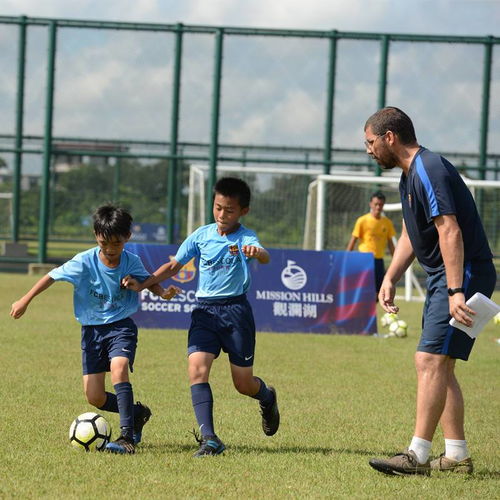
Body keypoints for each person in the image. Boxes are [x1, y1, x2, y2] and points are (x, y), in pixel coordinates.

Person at [363, 107, 496, 476]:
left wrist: (455, 290)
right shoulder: (408, 177)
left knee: (429, 361)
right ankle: (455, 455)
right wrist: (391, 276)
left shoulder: (428, 168)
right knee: (442, 363)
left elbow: (449, 229)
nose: (369, 151)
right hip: (446, 276)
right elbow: (411, 233)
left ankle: (416, 456)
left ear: (390, 137)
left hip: (461, 274)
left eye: (370, 142)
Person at [123, 177, 280, 457]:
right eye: (217, 207)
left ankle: (267, 397)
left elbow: (265, 255)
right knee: (196, 370)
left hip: (236, 313)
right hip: (204, 312)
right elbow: (173, 265)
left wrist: (259, 252)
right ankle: (209, 439)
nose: (221, 215)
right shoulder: (201, 236)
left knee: (243, 384)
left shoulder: (245, 237)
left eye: (229, 210)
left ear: (243, 211)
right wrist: (143, 284)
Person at [10, 204, 180, 454]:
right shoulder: (84, 261)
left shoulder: (131, 260)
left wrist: (163, 292)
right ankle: (136, 413)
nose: (110, 250)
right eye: (104, 244)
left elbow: (147, 281)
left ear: (128, 238)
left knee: (119, 368)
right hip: (91, 331)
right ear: (95, 236)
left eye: (116, 244)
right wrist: (25, 299)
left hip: (121, 325)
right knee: (95, 397)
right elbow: (51, 276)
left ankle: (126, 438)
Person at [346, 191, 396, 294]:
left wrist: (396, 260)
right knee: (362, 289)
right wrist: (346, 258)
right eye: (376, 204)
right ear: (371, 204)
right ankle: (362, 310)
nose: (378, 207)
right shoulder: (362, 220)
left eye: (381, 205)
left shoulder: (387, 223)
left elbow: (390, 243)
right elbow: (353, 240)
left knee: (379, 290)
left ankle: (372, 309)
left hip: (378, 260)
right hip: (364, 259)